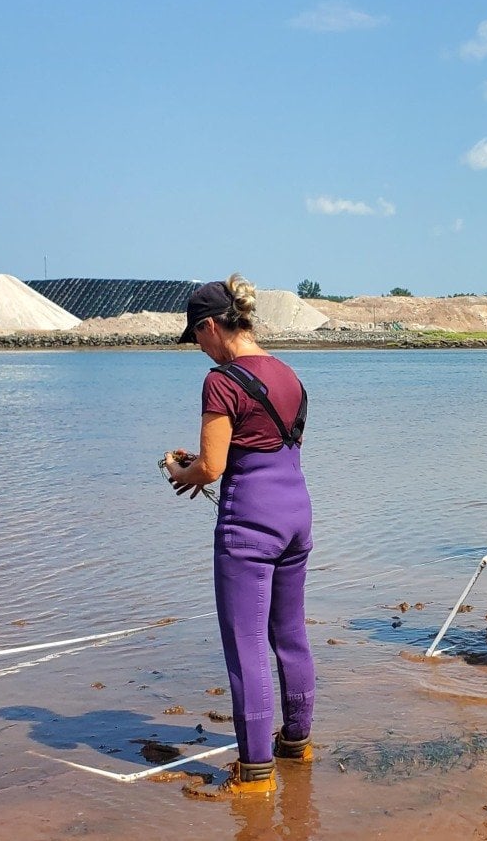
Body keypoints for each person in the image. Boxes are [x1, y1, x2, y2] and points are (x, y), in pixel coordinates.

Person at [162, 275, 315, 796]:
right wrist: (205, 465)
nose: (199, 349)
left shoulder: (222, 380)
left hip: (250, 523)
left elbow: (211, 466)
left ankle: (254, 772)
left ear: (210, 326)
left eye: (197, 337)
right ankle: (297, 742)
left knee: (245, 642)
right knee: (290, 633)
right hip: (297, 513)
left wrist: (179, 470)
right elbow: (268, 441)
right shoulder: (288, 373)